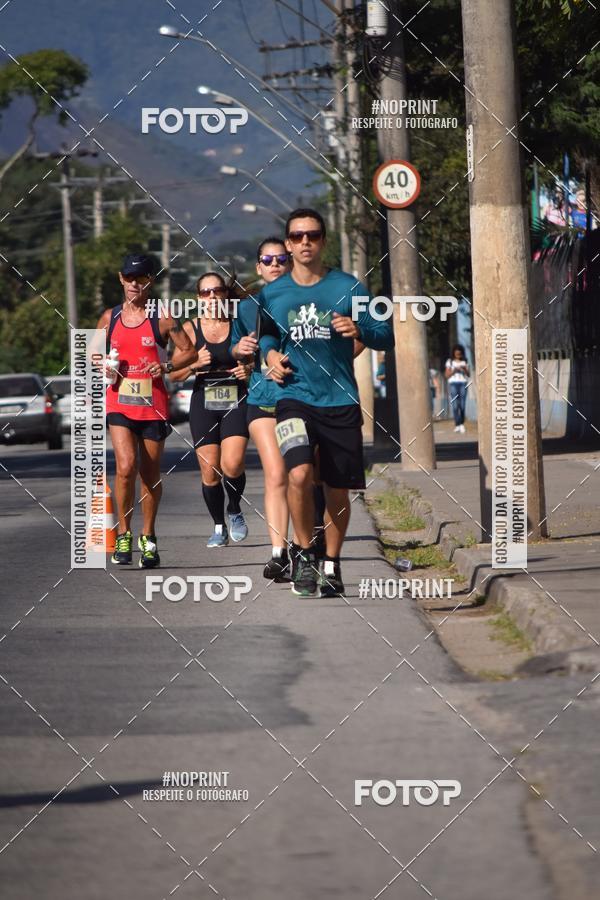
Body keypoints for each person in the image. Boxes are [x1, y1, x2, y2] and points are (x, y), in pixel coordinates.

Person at [241, 208, 394, 597]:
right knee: (297, 474)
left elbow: (385, 334)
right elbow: (267, 336)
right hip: (294, 397)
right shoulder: (272, 294)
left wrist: (359, 328)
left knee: (338, 489)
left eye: (312, 235)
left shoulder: (349, 288)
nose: (305, 242)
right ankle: (306, 554)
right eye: (297, 236)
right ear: (289, 243)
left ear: (323, 240)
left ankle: (332, 563)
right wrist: (271, 356)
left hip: (339, 399)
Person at [97, 253, 197, 568]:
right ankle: (123, 534)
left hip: (153, 405)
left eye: (141, 279)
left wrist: (165, 366)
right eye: (129, 279)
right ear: (120, 279)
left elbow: (189, 352)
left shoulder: (163, 317)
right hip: (119, 403)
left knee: (149, 474)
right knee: (125, 466)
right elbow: (92, 352)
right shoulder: (109, 317)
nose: (134, 285)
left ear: (150, 281)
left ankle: (148, 536)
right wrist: (101, 363)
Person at [169, 272, 250, 548]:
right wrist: (194, 364)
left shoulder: (239, 323)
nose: (212, 297)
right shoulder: (191, 329)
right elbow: (173, 375)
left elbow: (260, 359)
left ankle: (235, 508)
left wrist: (248, 370)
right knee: (210, 471)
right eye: (205, 293)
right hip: (203, 400)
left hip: (236, 398)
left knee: (233, 463)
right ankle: (218, 526)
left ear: (225, 294)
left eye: (217, 291)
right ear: (198, 298)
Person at [444, 343, 470, 433]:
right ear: (454, 353)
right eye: (456, 353)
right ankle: (457, 424)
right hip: (453, 384)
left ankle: (462, 424)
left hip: (463, 384)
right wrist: (454, 370)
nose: (458, 355)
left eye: (460, 353)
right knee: (455, 405)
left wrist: (464, 369)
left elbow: (468, 374)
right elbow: (446, 375)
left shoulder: (465, 361)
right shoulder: (449, 362)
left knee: (462, 405)